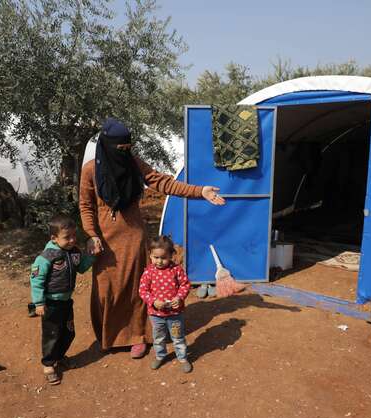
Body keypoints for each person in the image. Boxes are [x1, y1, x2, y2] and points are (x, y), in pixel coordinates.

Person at [79, 118, 225, 359]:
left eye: (128, 148)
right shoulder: (90, 171)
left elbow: (162, 182)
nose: (125, 153)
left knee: (136, 289)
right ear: (106, 145)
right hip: (104, 241)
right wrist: (92, 235)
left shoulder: (133, 163)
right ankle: (111, 336)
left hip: (134, 237)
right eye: (120, 149)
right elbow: (85, 206)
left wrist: (199, 191)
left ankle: (138, 336)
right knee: (108, 290)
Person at [30, 214, 95, 385]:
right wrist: (39, 303)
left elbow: (81, 268)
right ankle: (49, 364)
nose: (73, 240)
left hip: (66, 302)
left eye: (75, 235)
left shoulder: (73, 252)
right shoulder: (46, 257)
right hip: (50, 304)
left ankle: (60, 356)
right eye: (67, 237)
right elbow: (36, 280)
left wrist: (90, 256)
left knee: (69, 332)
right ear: (54, 238)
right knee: (52, 334)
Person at [139, 235, 192, 373]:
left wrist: (179, 298)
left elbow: (185, 285)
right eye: (156, 257)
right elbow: (143, 290)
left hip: (175, 313)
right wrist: (153, 301)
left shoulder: (176, 270)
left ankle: (182, 358)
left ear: (171, 255)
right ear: (150, 255)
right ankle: (160, 355)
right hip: (156, 314)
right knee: (158, 337)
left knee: (177, 336)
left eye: (163, 257)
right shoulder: (148, 272)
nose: (160, 261)